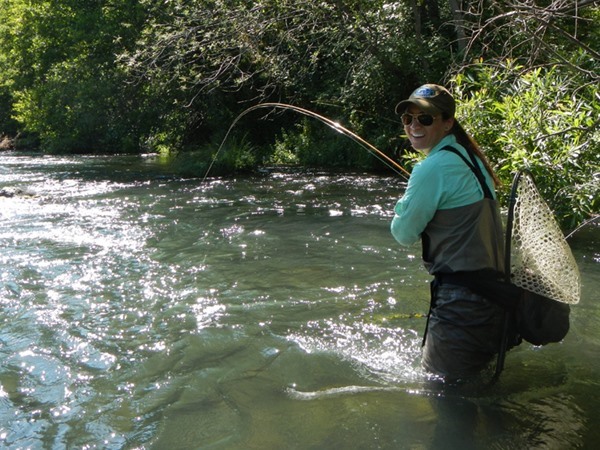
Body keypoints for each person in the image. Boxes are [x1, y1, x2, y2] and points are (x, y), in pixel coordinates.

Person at [390, 84, 512, 382]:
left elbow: (403, 233)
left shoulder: (432, 168)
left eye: (426, 119)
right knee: (479, 396)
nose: (414, 125)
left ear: (447, 123)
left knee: (446, 401)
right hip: (495, 299)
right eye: (408, 119)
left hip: (462, 307)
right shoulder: (471, 160)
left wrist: (401, 205)